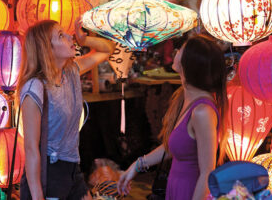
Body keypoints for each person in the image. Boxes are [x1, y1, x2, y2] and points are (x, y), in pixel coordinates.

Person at [118, 34, 228, 200]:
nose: (176, 52)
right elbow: (174, 144)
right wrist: (137, 165)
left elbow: (207, 173)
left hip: (190, 192)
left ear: (190, 63)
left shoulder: (202, 111)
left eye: (181, 50)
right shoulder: (183, 97)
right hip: (175, 187)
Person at [17, 19, 115, 200]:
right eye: (61, 35)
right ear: (47, 48)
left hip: (73, 167)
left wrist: (85, 41)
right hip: (50, 172)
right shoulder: (35, 87)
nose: (71, 38)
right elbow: (31, 149)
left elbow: (107, 49)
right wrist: (38, 196)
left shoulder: (70, 72)